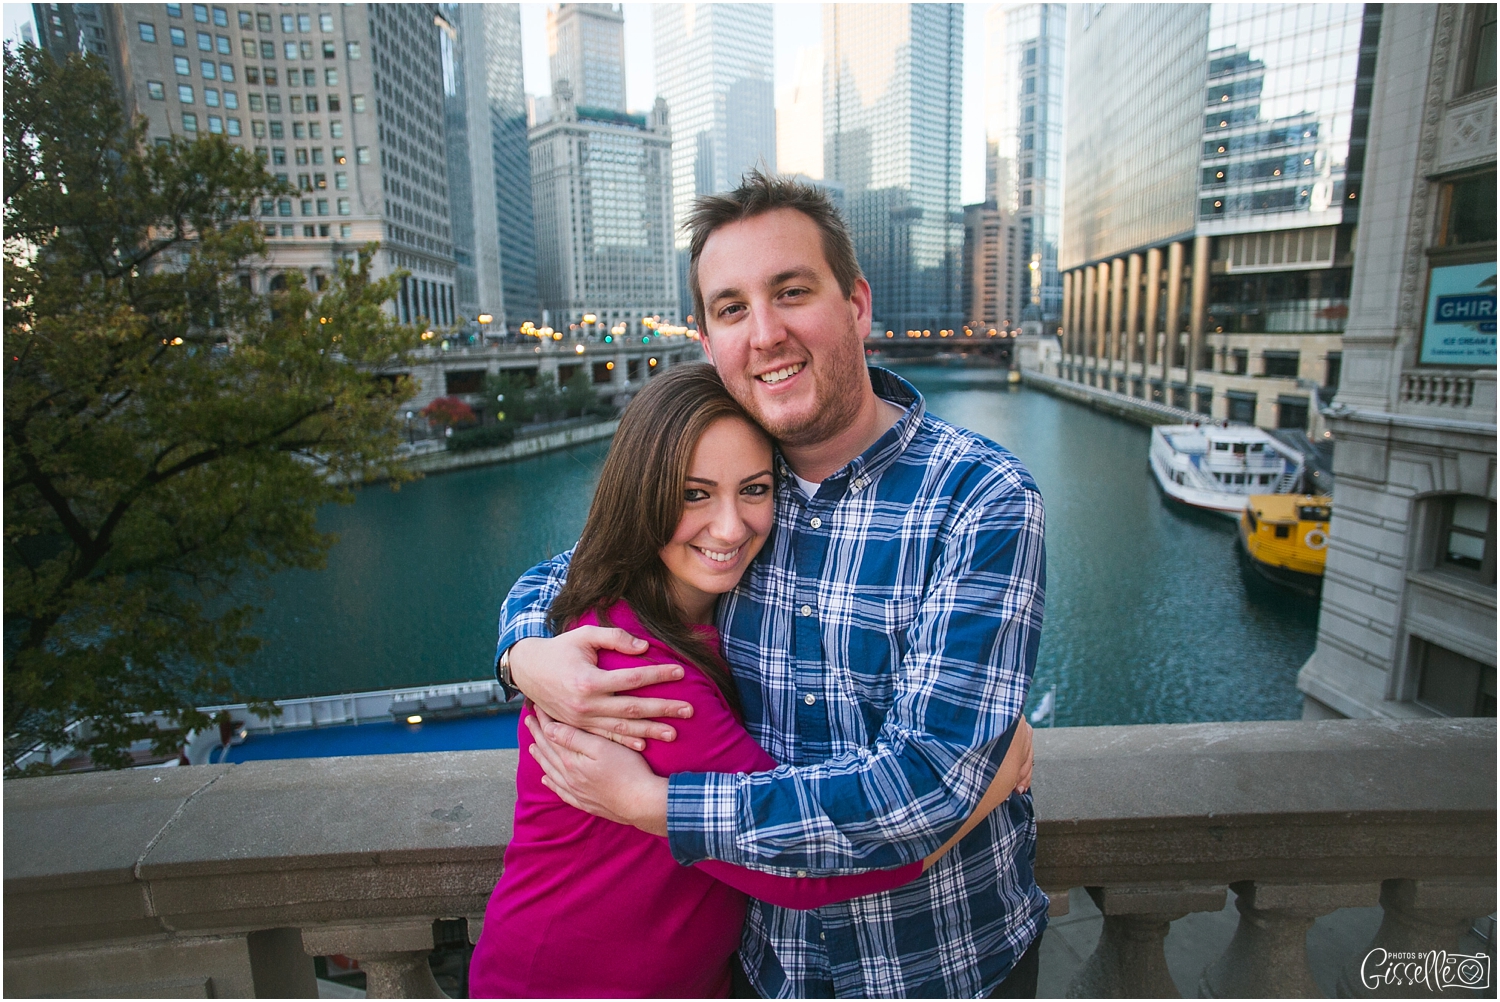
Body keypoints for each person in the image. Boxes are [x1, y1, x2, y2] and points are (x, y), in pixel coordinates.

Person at [496, 171, 1049, 998]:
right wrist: (523, 656)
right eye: (731, 309)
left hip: (943, 969)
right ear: (707, 339)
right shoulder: (736, 477)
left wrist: (659, 807)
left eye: (791, 291)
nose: (765, 333)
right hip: (763, 970)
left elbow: (927, 788)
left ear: (856, 305)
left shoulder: (981, 498)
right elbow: (576, 569)